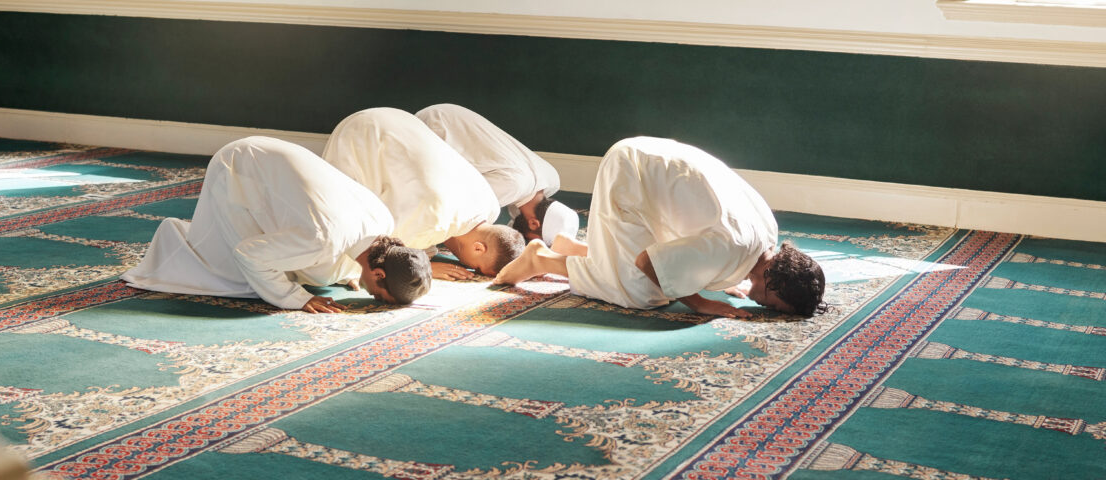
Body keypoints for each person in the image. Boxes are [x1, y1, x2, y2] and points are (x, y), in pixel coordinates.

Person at [493, 136, 826, 318]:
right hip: (631, 172)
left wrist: (721, 279)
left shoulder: (766, 234)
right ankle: (543, 259)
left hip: (653, 159)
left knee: (667, 274)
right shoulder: (730, 249)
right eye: (775, 305)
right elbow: (648, 263)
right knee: (642, 293)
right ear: (777, 281)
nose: (768, 309)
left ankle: (572, 248)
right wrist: (701, 302)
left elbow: (710, 248)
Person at [121, 136, 432, 312]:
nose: (370, 297)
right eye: (378, 294)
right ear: (378, 272)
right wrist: (297, 298)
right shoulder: (323, 239)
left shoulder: (382, 221)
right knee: (242, 280)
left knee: (316, 269)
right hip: (239, 168)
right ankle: (175, 239)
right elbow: (248, 254)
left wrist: (351, 274)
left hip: (269, 159)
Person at [322, 107, 524, 280]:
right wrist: (424, 267)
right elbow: (379, 249)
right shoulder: (433, 223)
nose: (471, 270)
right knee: (335, 263)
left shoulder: (489, 204)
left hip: (401, 118)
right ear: (479, 248)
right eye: (477, 268)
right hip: (361, 131)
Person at [416, 103, 579, 246]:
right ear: (534, 223)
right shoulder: (510, 186)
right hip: (432, 127)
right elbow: (455, 214)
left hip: (448, 113)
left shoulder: (551, 178)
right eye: (529, 240)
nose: (523, 241)